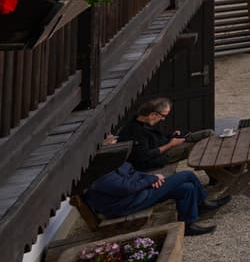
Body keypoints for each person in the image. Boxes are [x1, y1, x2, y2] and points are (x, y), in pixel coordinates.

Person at [81, 161, 229, 236]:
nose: (115, 141)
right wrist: (152, 179)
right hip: (126, 204)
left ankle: (188, 225)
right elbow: (126, 188)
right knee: (187, 175)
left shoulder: (110, 161)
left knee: (186, 188)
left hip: (136, 194)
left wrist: (151, 178)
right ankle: (202, 203)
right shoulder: (98, 173)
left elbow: (131, 170)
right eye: (111, 139)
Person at [113, 97, 210, 170]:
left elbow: (155, 139)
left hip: (166, 144)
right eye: (163, 116)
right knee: (199, 147)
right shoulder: (136, 131)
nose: (163, 119)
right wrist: (170, 144)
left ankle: (217, 173)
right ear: (152, 115)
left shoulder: (142, 121)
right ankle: (216, 176)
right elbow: (145, 156)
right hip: (157, 159)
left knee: (207, 134)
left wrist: (171, 136)